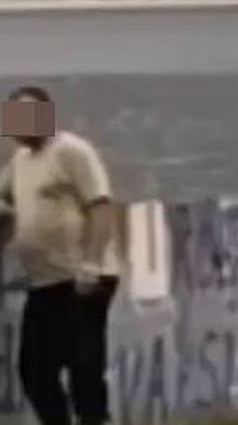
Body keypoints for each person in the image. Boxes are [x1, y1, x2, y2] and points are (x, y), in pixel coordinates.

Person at [0, 85, 120, 425]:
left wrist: (92, 263)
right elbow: (6, 207)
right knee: (34, 369)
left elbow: (100, 204)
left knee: (83, 366)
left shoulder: (72, 151)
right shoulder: (19, 162)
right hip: (44, 281)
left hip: (82, 278)